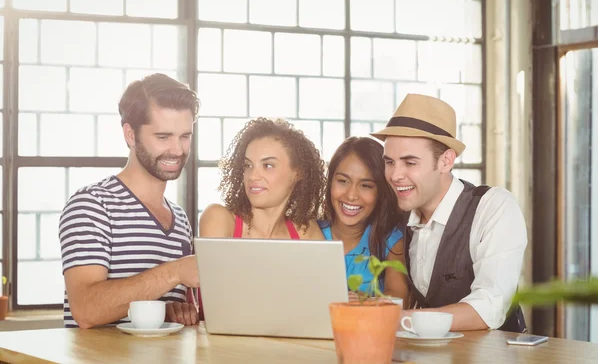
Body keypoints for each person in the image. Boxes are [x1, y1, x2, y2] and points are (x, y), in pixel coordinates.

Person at [371, 93, 527, 332]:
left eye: (410, 163)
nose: (394, 175)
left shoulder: (494, 207)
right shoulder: (402, 214)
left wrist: (398, 319)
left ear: (446, 161)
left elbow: (490, 306)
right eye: (390, 162)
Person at [59, 73, 201, 329]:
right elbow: (87, 310)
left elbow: (156, 311)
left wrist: (172, 310)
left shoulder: (179, 219)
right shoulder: (91, 205)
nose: (177, 149)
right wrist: (175, 272)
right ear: (130, 135)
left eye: (184, 136)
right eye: (163, 137)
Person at [199, 118, 325, 240]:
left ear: (298, 173)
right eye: (247, 165)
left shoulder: (306, 232)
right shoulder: (219, 218)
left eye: (268, 166)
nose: (252, 176)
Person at [319, 137, 408, 302]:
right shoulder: (310, 233)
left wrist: (364, 302)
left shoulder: (391, 240)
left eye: (366, 185)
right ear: (330, 183)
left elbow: (399, 298)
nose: (351, 195)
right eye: (343, 181)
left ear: (381, 192)